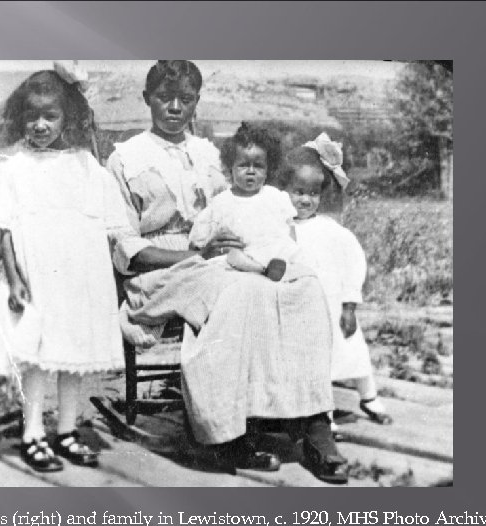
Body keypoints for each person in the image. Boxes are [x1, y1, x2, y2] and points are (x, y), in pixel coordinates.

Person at [107, 60, 348, 484]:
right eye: (165, 98)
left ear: (197, 102)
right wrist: (197, 253)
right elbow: (123, 246)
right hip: (160, 270)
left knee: (305, 286)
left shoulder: (207, 154)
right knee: (240, 291)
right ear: (147, 99)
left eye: (185, 99)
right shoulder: (125, 158)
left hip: (222, 260)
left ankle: (311, 419)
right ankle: (219, 436)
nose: (175, 108)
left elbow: (237, 210)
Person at [0, 70, 131, 472]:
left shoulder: (85, 165)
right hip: (34, 279)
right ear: (20, 118)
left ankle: (66, 430)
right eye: (32, 117)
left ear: (68, 118)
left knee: (72, 356)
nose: (41, 125)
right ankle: (32, 433)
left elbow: (108, 226)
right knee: (35, 358)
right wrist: (14, 280)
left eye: (51, 116)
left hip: (76, 281)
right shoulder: (13, 170)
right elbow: (6, 232)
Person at [281, 133, 393, 428]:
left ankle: (368, 396)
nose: (305, 199)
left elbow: (353, 264)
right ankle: (322, 414)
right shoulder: (280, 228)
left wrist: (350, 305)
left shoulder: (331, 230)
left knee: (353, 349)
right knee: (314, 361)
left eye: (313, 194)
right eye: (298, 192)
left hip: (334, 305)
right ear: (284, 191)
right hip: (303, 308)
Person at [189, 122, 301, 281]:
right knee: (232, 257)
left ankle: (272, 270)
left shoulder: (275, 197)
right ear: (231, 168)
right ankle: (261, 271)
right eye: (243, 165)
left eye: (258, 166)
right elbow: (200, 237)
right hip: (239, 258)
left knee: (283, 253)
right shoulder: (222, 201)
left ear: (268, 169)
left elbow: (290, 231)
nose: (250, 171)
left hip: (272, 254)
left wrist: (288, 252)